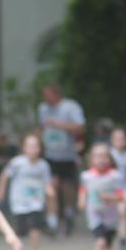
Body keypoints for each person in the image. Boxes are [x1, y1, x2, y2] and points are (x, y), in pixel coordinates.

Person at [0, 133, 53, 250]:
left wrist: (49, 190)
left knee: (36, 227)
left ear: (40, 149)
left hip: (36, 201)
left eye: (35, 146)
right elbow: (5, 175)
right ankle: (18, 247)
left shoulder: (43, 165)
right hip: (19, 202)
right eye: (29, 146)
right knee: (21, 230)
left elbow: (47, 182)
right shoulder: (17, 163)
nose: (32, 149)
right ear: (24, 148)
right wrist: (1, 190)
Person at [78, 142, 126, 250]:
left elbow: (121, 197)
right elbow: (83, 190)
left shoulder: (115, 176)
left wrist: (109, 198)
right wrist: (80, 201)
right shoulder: (86, 176)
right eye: (98, 156)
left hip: (111, 217)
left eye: (104, 156)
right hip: (95, 215)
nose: (101, 159)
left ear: (110, 159)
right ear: (91, 159)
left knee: (109, 248)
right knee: (100, 243)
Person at [37, 83, 85, 236]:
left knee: (67, 187)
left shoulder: (71, 107)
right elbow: (41, 127)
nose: (45, 98)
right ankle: (54, 220)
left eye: (47, 94)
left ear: (56, 94)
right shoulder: (43, 108)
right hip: (50, 155)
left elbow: (80, 127)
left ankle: (69, 214)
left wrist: (59, 125)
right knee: (52, 187)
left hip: (67, 155)